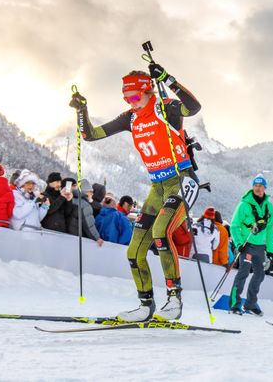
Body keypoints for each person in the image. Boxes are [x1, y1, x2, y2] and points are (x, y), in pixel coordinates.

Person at [72, 63, 200, 321]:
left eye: (133, 96)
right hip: (158, 186)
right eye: (125, 97)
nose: (130, 102)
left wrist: (167, 78)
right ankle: (145, 306)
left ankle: (174, 300)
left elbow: (194, 107)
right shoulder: (130, 117)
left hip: (182, 180)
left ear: (147, 91)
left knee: (160, 232)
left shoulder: (166, 107)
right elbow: (90, 135)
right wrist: (82, 109)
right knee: (134, 251)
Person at [228, 173, 273, 315]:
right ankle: (234, 305)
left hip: (260, 247)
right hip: (247, 244)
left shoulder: (269, 206)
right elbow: (234, 226)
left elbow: (269, 230)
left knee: (260, 275)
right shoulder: (244, 205)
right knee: (243, 273)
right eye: (255, 185)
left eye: (260, 186)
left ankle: (250, 304)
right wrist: (239, 244)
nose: (257, 188)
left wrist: (271, 250)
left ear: (265, 188)